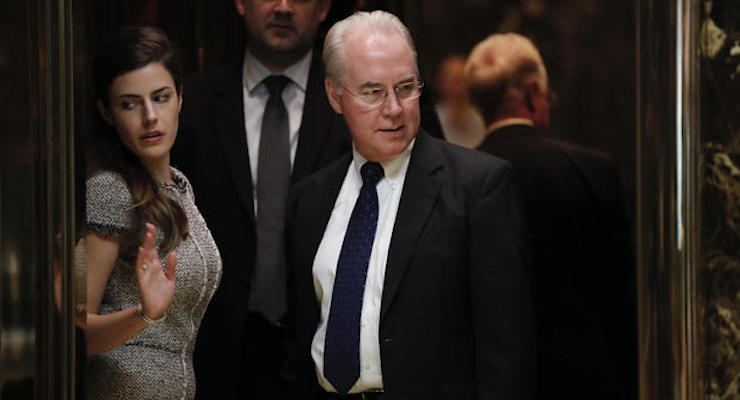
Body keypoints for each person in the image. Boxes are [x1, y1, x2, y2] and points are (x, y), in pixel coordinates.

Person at [171, 1, 443, 398]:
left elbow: (431, 191)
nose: (283, 7)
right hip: (218, 355)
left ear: (323, 8)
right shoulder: (191, 105)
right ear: (240, 4)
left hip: (343, 352)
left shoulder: (369, 92)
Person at [285, 11, 534, 399]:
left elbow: (505, 350)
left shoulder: (477, 188)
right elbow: (302, 333)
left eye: (405, 87)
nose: (394, 109)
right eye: (372, 92)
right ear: (335, 96)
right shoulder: (310, 199)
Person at [465, 33, 636, 399]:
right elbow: (619, 296)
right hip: (586, 381)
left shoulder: (455, 183)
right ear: (531, 94)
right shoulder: (592, 170)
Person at [85, 26, 222, 400]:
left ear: (179, 98)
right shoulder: (109, 191)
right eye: (129, 104)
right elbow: (75, 330)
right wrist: (142, 314)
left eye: (160, 98)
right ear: (107, 112)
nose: (149, 116)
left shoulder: (179, 187)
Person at [434, 54, 486, 148]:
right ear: (442, 83)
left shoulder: (481, 120)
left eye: (465, 80)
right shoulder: (432, 120)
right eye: (456, 80)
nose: (462, 86)